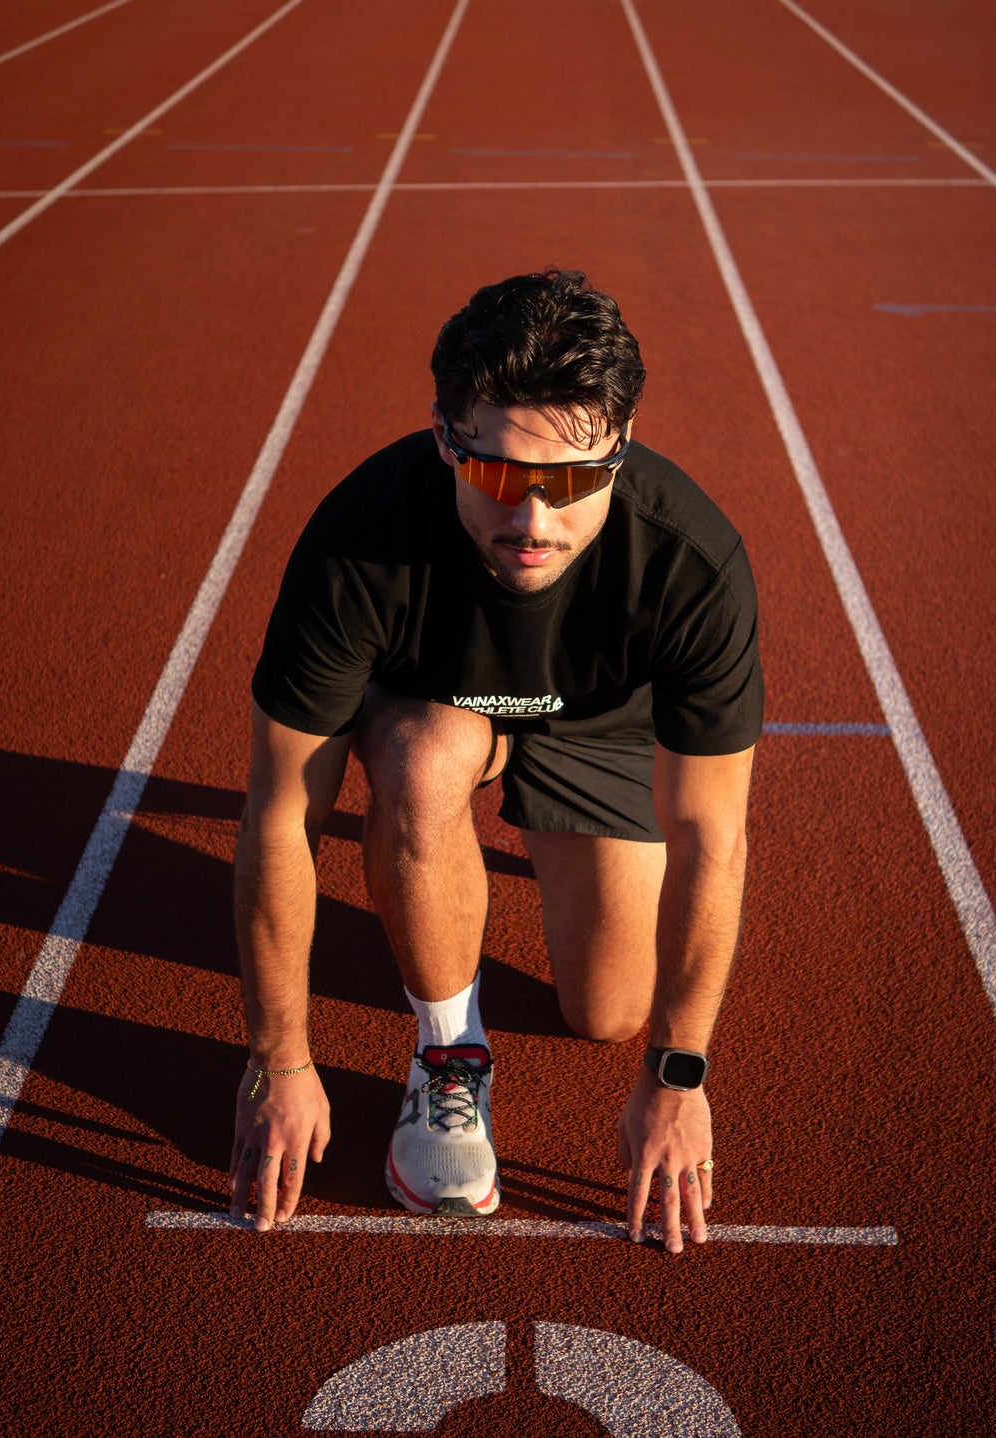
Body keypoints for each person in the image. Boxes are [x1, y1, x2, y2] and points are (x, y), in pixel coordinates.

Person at [229, 268, 763, 1255]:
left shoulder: (688, 561)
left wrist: (677, 1075)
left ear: (623, 449)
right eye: (500, 475)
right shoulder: (361, 539)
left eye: (573, 482)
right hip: (436, 707)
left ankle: (533, 826)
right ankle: (447, 1051)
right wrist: (280, 1058)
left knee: (608, 1014)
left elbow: (711, 835)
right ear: (446, 437)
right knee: (422, 762)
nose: (533, 520)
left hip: (595, 723)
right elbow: (281, 812)